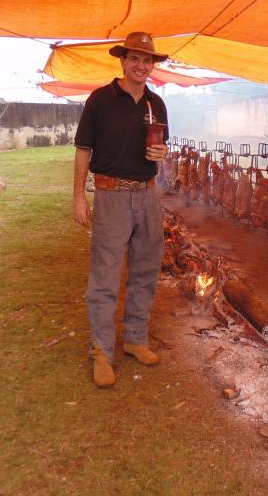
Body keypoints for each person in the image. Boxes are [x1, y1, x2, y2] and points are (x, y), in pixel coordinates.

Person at [72, 32, 169, 388]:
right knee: (106, 275)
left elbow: (160, 148)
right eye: (135, 58)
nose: (141, 65)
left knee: (146, 269)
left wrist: (161, 154)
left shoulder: (156, 104)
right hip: (111, 195)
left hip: (147, 195)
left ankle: (135, 339)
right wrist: (79, 195)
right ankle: (101, 350)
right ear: (123, 61)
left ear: (152, 65)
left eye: (147, 60)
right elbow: (83, 149)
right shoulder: (100, 100)